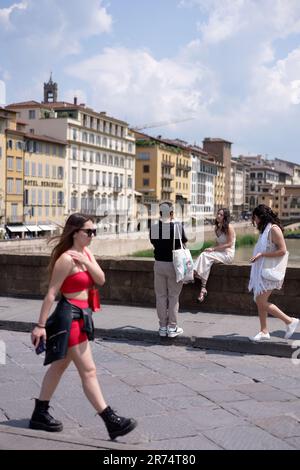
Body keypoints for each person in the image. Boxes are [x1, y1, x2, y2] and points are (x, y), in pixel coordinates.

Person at [30, 213, 137, 440]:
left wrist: (87, 262)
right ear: (75, 232)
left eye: (94, 231)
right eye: (88, 231)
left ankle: (39, 413)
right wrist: (40, 325)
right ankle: (111, 421)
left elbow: (101, 279)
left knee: (58, 367)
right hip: (69, 317)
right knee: (89, 371)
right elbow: (51, 293)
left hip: (82, 316)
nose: (92, 236)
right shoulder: (66, 260)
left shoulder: (85, 253)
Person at [248, 204, 299, 342]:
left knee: (259, 300)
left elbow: (283, 250)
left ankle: (290, 321)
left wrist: (262, 255)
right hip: (263, 271)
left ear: (260, 217)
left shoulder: (274, 229)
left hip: (269, 271)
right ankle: (264, 331)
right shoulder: (265, 230)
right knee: (260, 301)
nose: (254, 221)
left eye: (255, 218)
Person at [150, 203, 187, 338]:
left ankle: (162, 327)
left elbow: (154, 243)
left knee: (160, 296)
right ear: (171, 213)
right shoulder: (177, 227)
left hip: (159, 264)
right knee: (173, 296)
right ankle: (172, 327)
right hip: (174, 265)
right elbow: (184, 242)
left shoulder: (154, 227)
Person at [194, 208, 236, 302]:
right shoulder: (217, 228)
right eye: (218, 214)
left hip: (228, 254)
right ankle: (203, 288)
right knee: (205, 256)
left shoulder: (229, 227)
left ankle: (194, 273)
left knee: (205, 256)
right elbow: (217, 245)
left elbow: (229, 244)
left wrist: (213, 249)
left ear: (225, 217)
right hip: (220, 253)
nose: (218, 216)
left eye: (221, 215)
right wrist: (210, 248)